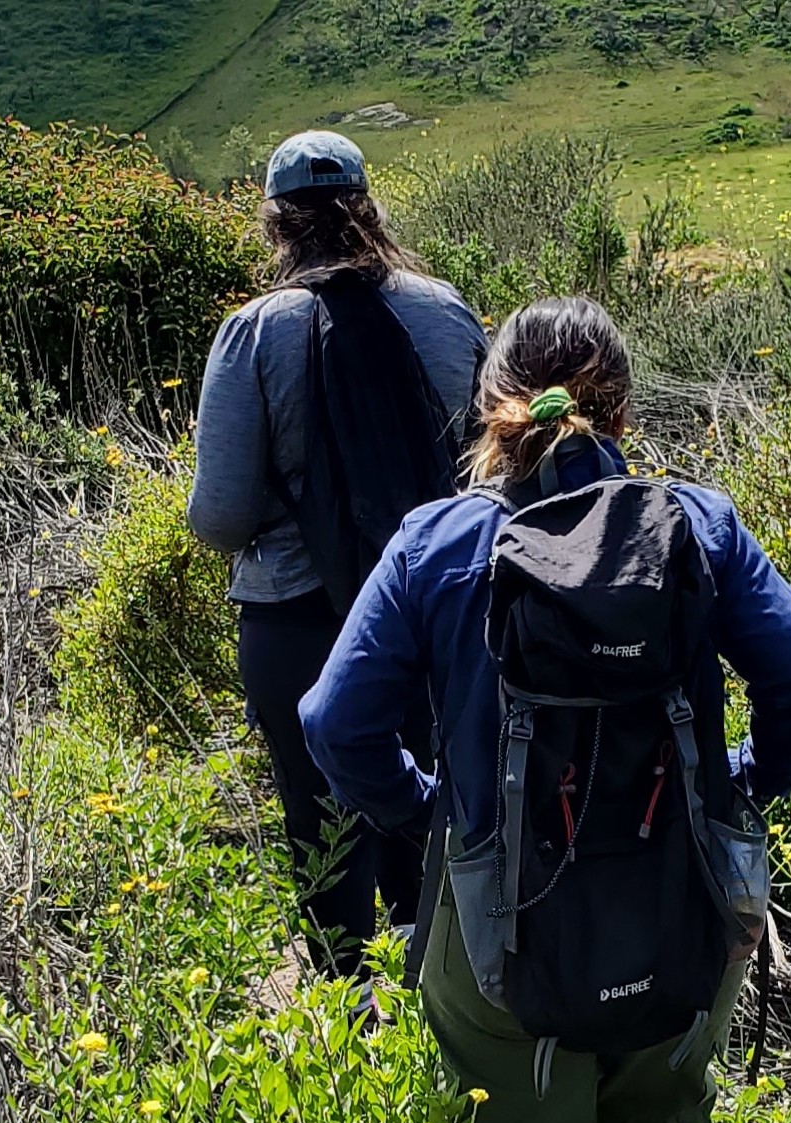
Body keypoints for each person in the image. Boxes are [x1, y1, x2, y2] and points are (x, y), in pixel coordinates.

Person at [299, 297, 791, 1123]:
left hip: (495, 930)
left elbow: (336, 723)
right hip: (684, 904)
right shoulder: (699, 526)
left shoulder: (436, 541)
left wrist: (431, 813)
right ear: (622, 410)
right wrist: (739, 783)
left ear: (491, 410)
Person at [188, 130, 487, 991]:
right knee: (428, 811)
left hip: (296, 621)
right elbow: (485, 477)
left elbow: (220, 516)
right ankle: (441, 1011)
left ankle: (347, 1029)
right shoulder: (445, 310)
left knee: (319, 827)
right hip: (433, 617)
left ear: (277, 224)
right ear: (370, 209)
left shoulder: (252, 334)